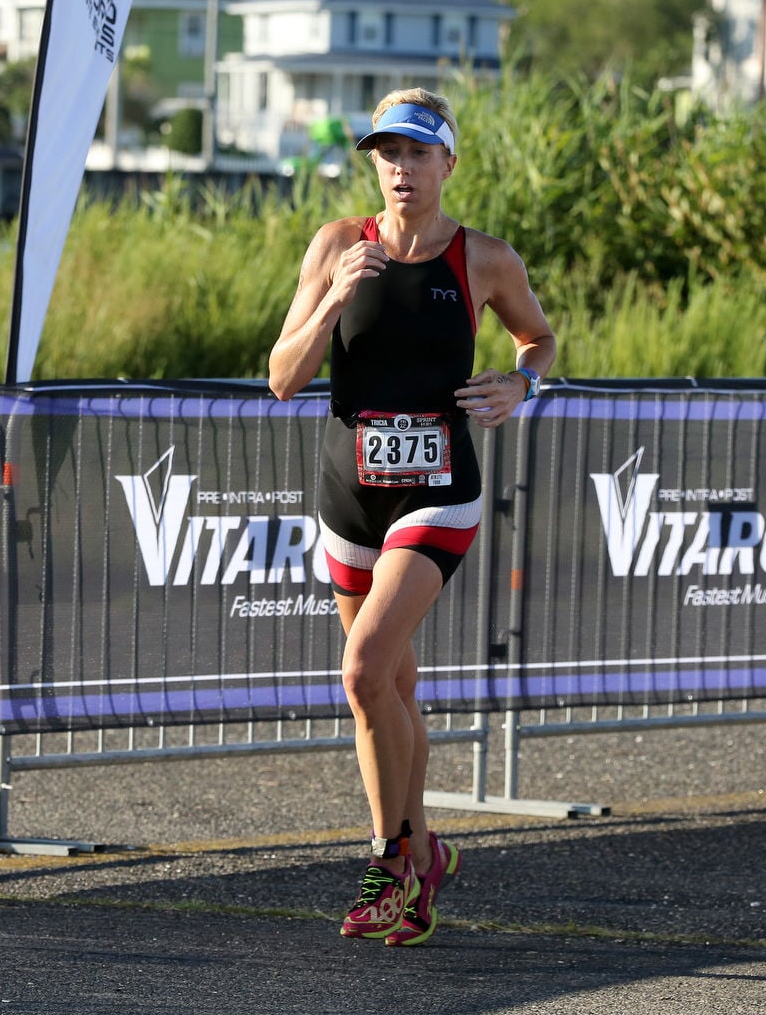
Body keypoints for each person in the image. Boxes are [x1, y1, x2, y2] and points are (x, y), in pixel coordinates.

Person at [268, 87, 556, 946]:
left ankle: (390, 853)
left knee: (361, 672)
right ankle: (424, 852)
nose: (399, 168)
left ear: (447, 165)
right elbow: (283, 378)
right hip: (348, 491)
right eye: (386, 154)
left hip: (438, 489)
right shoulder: (335, 245)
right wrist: (330, 298)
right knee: (388, 687)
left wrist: (520, 382)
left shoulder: (483, 259)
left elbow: (535, 340)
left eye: (416, 153)